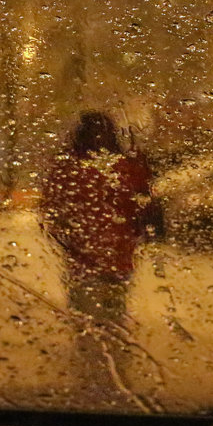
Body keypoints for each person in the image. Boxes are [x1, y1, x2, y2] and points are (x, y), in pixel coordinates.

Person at [40, 111, 156, 327]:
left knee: (86, 321)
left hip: (83, 259)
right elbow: (140, 206)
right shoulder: (125, 167)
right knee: (112, 318)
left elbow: (53, 209)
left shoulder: (68, 168)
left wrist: (69, 240)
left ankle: (91, 354)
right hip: (118, 258)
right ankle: (113, 354)